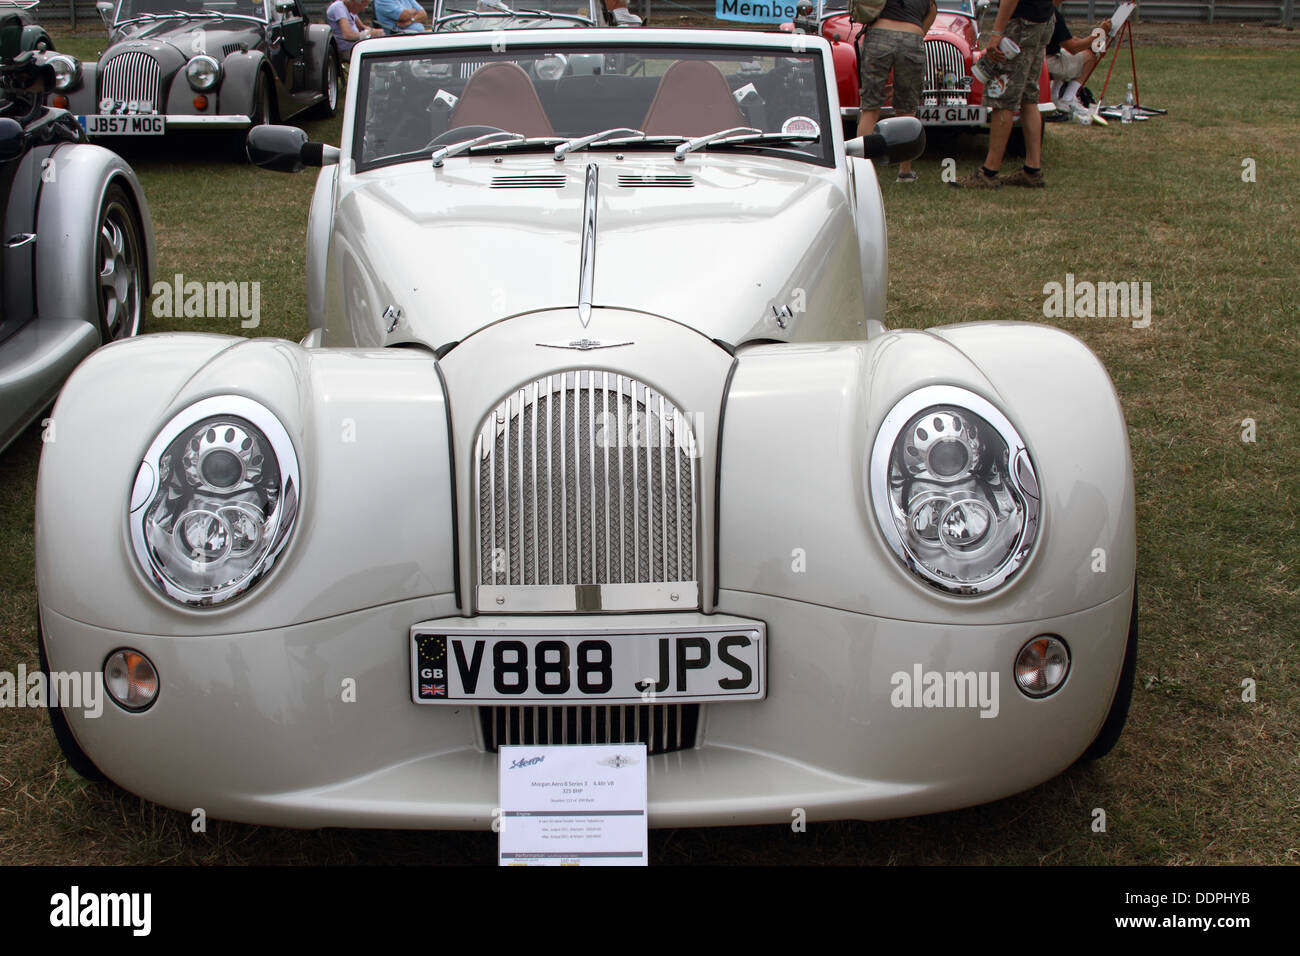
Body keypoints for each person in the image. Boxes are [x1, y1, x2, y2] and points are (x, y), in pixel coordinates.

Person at [950, 0, 1055, 189]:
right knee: (1028, 96)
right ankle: (1032, 169)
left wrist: (997, 33)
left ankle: (989, 172)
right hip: (1043, 20)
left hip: (1021, 24)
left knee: (1002, 96)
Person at [855, 0, 938, 183]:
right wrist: (916, 34)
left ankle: (861, 171)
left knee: (870, 108)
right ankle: (905, 172)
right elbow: (932, 9)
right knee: (906, 109)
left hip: (878, 34)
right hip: (912, 36)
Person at [1045, 0, 1111, 116]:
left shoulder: (1044, 9)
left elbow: (1070, 39)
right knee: (1090, 57)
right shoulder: (1053, 14)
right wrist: (1099, 34)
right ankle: (1068, 99)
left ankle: (1054, 96)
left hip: (1040, 58)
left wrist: (1093, 39)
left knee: (1067, 56)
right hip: (1046, 62)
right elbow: (1073, 48)